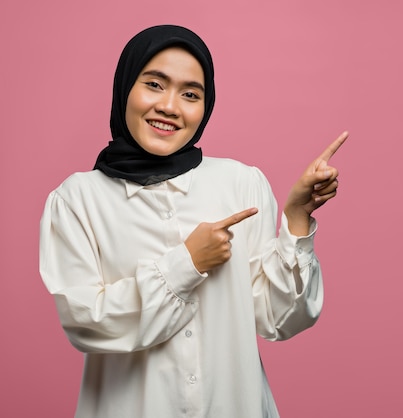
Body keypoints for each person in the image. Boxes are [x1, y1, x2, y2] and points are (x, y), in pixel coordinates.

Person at [39, 24, 347, 418]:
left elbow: (279, 318)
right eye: (153, 84)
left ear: (206, 106)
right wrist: (187, 265)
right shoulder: (78, 200)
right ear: (124, 89)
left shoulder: (240, 183)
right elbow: (86, 321)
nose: (169, 106)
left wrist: (297, 218)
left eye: (190, 94)